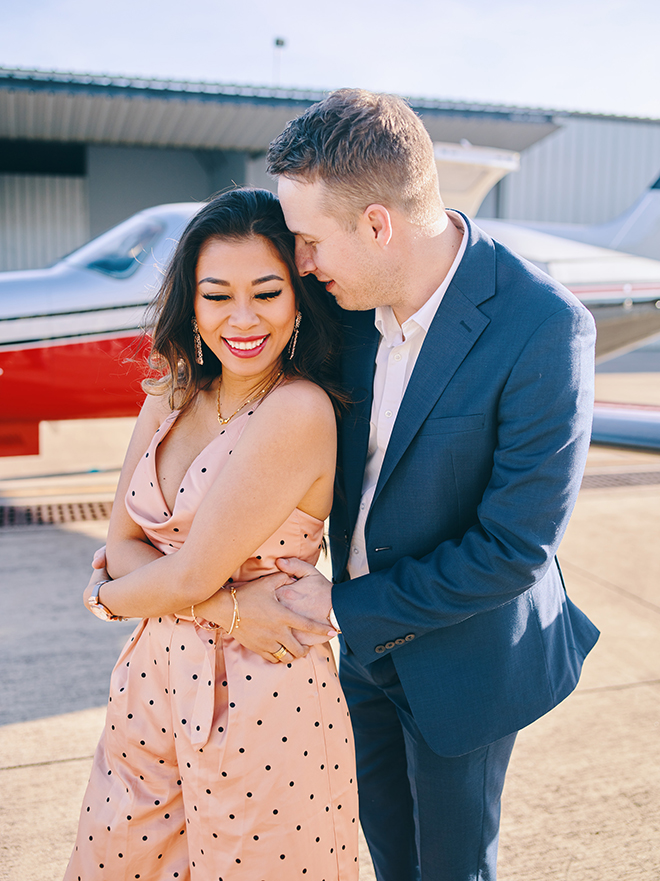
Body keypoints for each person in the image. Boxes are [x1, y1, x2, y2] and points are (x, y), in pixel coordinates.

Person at [256, 89, 601, 881]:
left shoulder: (544, 326)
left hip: (467, 656)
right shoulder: (342, 305)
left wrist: (341, 605)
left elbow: (514, 548)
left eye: (309, 240)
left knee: (450, 869)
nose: (299, 262)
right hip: (361, 654)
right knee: (392, 861)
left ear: (378, 225)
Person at [64, 188, 359, 881]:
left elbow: (178, 572)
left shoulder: (297, 408)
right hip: (150, 681)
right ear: (191, 306)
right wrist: (224, 605)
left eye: (266, 291)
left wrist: (112, 596)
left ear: (297, 300)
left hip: (265, 692)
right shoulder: (169, 393)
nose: (244, 318)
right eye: (218, 295)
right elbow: (125, 541)